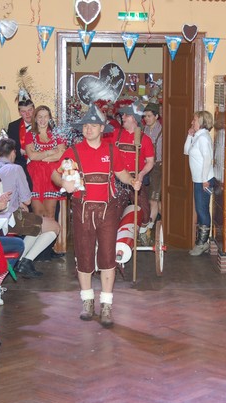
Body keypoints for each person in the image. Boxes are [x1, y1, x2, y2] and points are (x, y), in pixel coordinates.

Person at [51, 105, 141, 328]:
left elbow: (121, 173)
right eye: (85, 126)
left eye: (93, 125)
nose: (88, 129)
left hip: (108, 210)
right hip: (82, 210)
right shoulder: (73, 152)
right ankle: (87, 301)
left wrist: (132, 181)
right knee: (83, 255)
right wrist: (63, 183)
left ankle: (106, 305)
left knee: (108, 256)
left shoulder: (111, 150)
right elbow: (55, 174)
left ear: (102, 128)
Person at [0, 137, 60, 277]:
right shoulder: (15, 169)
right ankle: (25, 260)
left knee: (35, 225)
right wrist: (21, 202)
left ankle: (21, 261)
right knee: (54, 227)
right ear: (13, 153)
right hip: (10, 218)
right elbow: (27, 200)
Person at [114, 101, 155, 230]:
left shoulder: (145, 139)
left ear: (134, 118)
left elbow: (150, 161)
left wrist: (141, 174)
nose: (123, 117)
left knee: (144, 212)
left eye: (126, 115)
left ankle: (143, 232)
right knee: (115, 212)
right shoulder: (115, 134)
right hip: (118, 180)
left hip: (135, 179)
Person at [25, 105, 67, 219]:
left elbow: (61, 154)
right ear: (35, 118)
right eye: (40, 117)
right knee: (38, 213)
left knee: (50, 213)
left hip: (52, 176)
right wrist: (50, 152)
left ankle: (51, 231)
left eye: (45, 116)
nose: (43, 120)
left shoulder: (57, 134)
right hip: (36, 177)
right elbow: (32, 156)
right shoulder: (30, 135)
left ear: (50, 118)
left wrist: (41, 157)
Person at [184, 110, 216, 256]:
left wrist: (204, 180)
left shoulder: (203, 138)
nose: (192, 122)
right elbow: (186, 151)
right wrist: (189, 136)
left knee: (202, 210)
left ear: (202, 122)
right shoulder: (198, 136)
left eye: (195, 120)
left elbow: (208, 159)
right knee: (200, 209)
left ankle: (202, 243)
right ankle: (202, 242)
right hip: (198, 180)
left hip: (204, 180)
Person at [142, 103, 163, 234]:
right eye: (145, 116)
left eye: (149, 116)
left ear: (156, 116)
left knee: (153, 200)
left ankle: (148, 228)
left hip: (157, 168)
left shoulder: (163, 131)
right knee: (149, 199)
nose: (146, 119)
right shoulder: (143, 130)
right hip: (145, 167)